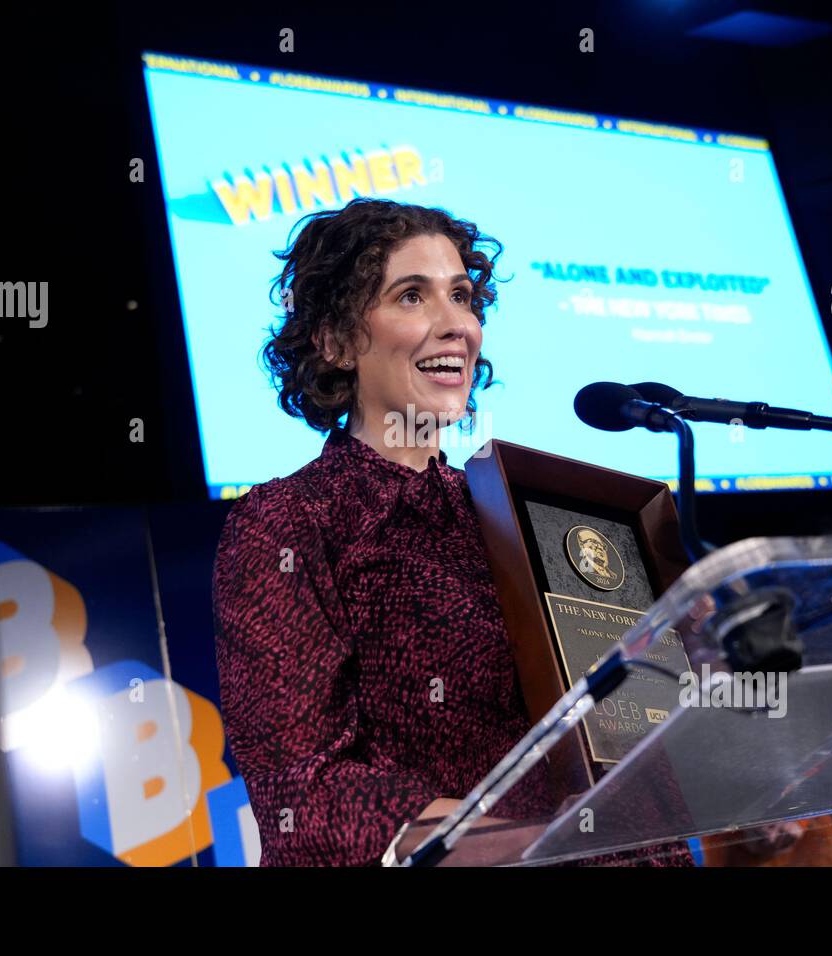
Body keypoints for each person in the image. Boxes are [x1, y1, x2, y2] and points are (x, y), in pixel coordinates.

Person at [211, 197, 693, 867]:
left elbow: (635, 734)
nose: (454, 325)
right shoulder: (291, 522)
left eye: (462, 296)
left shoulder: (527, 518)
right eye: (412, 296)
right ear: (337, 340)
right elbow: (306, 792)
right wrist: (537, 843)